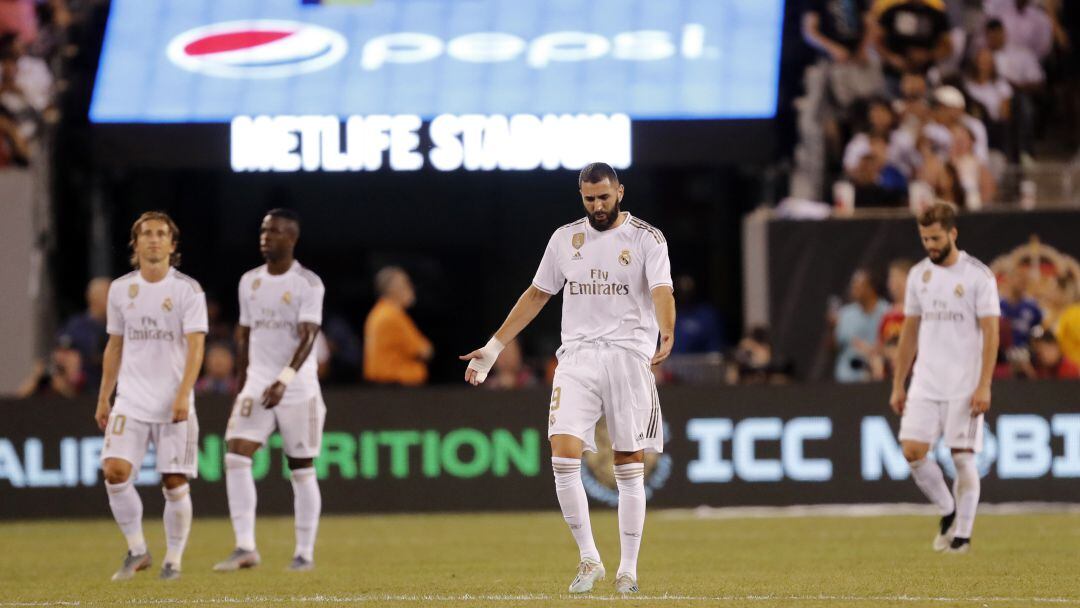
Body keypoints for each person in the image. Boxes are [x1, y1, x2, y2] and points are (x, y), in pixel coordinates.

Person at [460, 162, 674, 595]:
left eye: (604, 197)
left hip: (627, 356)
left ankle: (627, 570)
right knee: (562, 454)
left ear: (620, 192)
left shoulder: (647, 238)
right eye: (589, 198)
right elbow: (538, 294)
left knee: (628, 464)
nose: (597, 206)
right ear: (581, 196)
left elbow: (661, 290)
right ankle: (589, 558)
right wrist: (495, 346)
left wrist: (667, 329)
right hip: (576, 358)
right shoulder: (564, 239)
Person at [95, 211, 207, 581]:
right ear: (136, 243)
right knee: (114, 471)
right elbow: (115, 346)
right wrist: (104, 397)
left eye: (161, 234)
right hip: (131, 400)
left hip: (173, 401)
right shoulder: (120, 290)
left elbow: (196, 348)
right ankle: (138, 549)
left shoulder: (187, 290)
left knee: (174, 481)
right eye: (147, 234)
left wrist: (183, 394)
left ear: (172, 245)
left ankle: (173, 560)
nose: (154, 239)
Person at [214, 209, 326, 573]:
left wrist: (286, 379)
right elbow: (245, 333)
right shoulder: (249, 281)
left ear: (291, 238)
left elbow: (308, 336)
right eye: (263, 230)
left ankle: (304, 552)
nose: (266, 236)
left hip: (298, 389)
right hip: (258, 383)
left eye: (275, 231)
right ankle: (245, 546)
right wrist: (242, 380)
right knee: (235, 454)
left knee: (301, 467)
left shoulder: (308, 284)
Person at [889, 202, 1000, 554]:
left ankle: (962, 537)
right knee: (912, 450)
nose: (930, 245)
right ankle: (948, 510)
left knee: (962, 457)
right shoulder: (919, 276)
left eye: (935, 238)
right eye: (924, 239)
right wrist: (898, 382)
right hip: (925, 381)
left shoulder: (978, 276)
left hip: (964, 384)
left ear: (952, 234)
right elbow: (909, 333)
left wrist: (984, 383)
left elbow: (991, 333)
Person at [362, 266, 432, 386]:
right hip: (395, 388)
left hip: (385, 387)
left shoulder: (379, 313)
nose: (412, 289)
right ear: (393, 289)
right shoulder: (391, 316)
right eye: (406, 284)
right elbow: (424, 351)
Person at [834, 268, 891, 382]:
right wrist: (831, 328)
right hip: (846, 378)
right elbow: (836, 344)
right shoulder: (845, 314)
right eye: (853, 284)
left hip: (877, 377)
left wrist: (872, 350)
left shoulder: (888, 313)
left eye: (859, 285)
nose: (854, 288)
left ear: (871, 288)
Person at [57, 277, 110, 392]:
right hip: (83, 393)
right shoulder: (75, 327)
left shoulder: (119, 328)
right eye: (107, 294)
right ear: (93, 297)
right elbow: (61, 356)